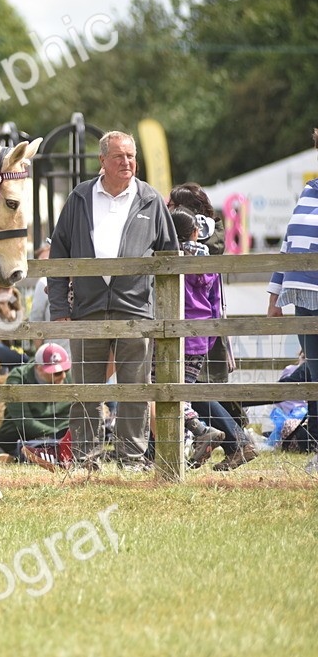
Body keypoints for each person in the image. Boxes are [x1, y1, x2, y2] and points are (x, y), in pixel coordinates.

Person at [48, 130, 178, 471]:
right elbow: (58, 254)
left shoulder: (150, 199)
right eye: (119, 156)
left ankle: (131, 458)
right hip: (87, 309)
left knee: (134, 388)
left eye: (131, 156)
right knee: (86, 390)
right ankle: (85, 458)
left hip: (135, 310)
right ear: (102, 160)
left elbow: (171, 257)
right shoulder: (80, 197)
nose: (127, 162)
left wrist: (161, 311)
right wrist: (60, 308)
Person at [170, 210, 252, 470]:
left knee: (169, 391)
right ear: (196, 232)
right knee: (187, 391)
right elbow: (217, 304)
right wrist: (212, 335)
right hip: (202, 335)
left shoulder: (171, 260)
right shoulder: (209, 262)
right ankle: (200, 441)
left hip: (176, 334)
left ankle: (201, 432)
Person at [267, 127, 318, 476]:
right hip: (302, 297)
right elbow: (289, 244)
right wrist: (275, 295)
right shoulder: (309, 190)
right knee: (314, 377)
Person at [0, 342, 74, 467]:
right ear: (39, 368)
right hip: (23, 435)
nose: (63, 376)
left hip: (62, 435)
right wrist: (57, 434)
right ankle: (19, 455)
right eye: (57, 373)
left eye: (66, 370)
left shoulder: (71, 376)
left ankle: (21, 456)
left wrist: (64, 435)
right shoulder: (18, 378)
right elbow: (24, 422)